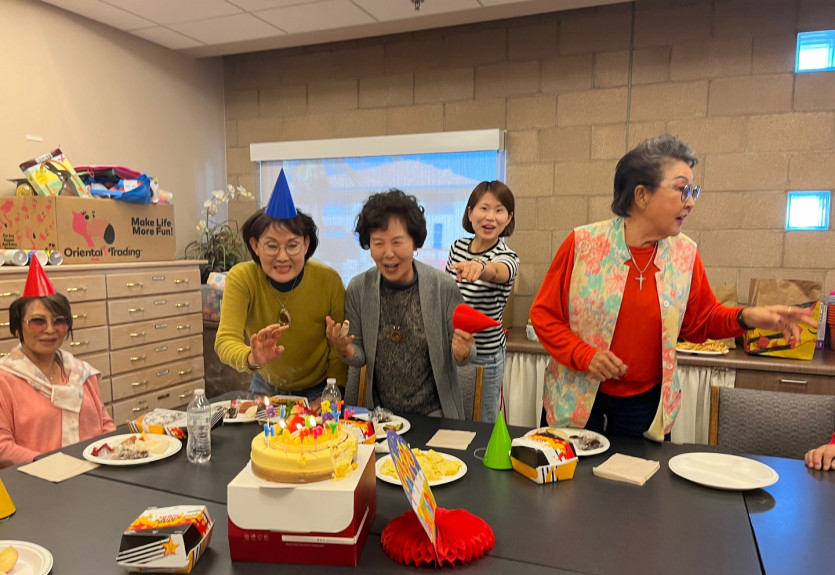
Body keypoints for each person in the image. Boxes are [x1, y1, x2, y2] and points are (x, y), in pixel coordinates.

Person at [530, 134, 818, 441]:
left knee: (637, 474)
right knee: (569, 471)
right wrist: (585, 355)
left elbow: (699, 322)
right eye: (682, 190)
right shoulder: (583, 244)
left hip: (645, 405)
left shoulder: (684, 254)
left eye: (693, 191)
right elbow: (544, 315)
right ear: (641, 195)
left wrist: (746, 317)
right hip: (575, 396)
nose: (691, 202)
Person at [326, 189, 475, 419]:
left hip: (435, 415)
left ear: (415, 243)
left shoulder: (442, 286)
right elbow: (359, 356)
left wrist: (463, 352)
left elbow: (466, 352)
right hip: (381, 417)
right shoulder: (359, 288)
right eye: (378, 243)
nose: (388, 254)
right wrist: (343, 348)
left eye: (397, 242)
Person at [214, 170, 347, 402]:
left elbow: (337, 348)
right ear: (255, 246)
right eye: (272, 246)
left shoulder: (329, 281)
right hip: (264, 386)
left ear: (306, 244)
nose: (283, 257)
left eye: (292, 245)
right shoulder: (242, 278)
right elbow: (225, 340)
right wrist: (252, 357)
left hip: (319, 390)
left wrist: (331, 394)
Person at [0, 259, 114, 468]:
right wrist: (56, 466)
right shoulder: (4, 380)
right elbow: (3, 448)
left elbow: (105, 424)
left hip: (95, 474)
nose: (50, 330)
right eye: (37, 321)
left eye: (59, 321)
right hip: (35, 478)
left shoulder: (81, 372)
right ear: (17, 328)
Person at [446, 180, 518, 423]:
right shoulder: (457, 247)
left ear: (508, 218)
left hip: (485, 358)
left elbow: (498, 271)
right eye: (484, 208)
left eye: (499, 210)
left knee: (482, 424)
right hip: (455, 351)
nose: (490, 217)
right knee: (453, 418)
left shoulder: (508, 256)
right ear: (470, 213)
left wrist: (480, 266)